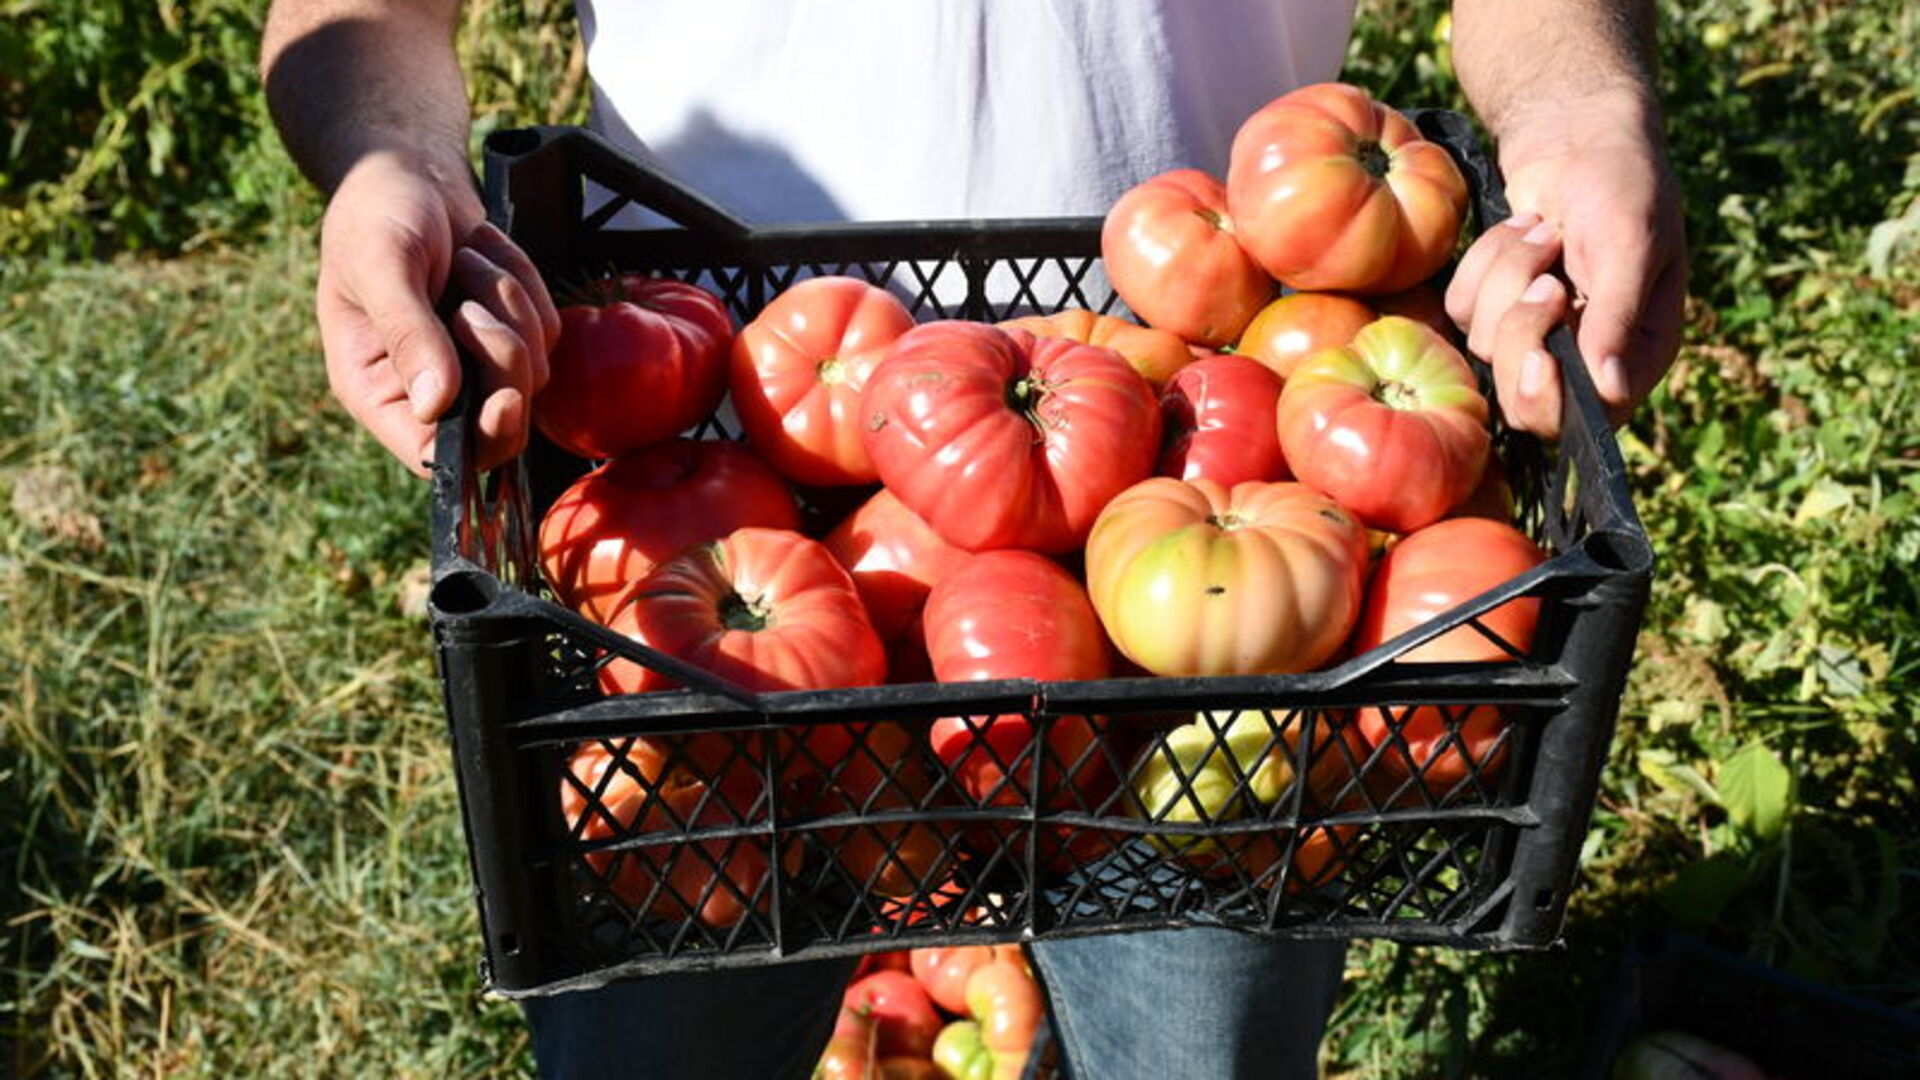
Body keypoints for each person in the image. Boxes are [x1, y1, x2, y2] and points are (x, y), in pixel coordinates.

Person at [260, 3, 1685, 1077]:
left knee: (1198, 1047)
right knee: (661, 1044)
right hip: (689, 446)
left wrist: (1583, 116)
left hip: (1206, 434)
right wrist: (390, 157)